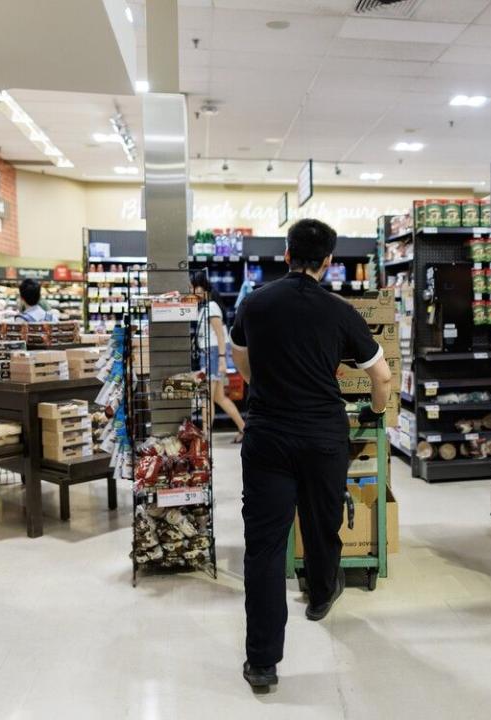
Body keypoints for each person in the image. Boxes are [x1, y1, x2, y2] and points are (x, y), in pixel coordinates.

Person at [230, 219, 392, 690]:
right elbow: (380, 377)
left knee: (263, 546)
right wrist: (375, 413)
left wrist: (264, 381)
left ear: (285, 255)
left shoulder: (255, 303)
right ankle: (321, 593)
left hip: (268, 437)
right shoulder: (340, 312)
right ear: (328, 262)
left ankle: (262, 662)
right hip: (323, 437)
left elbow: (239, 355)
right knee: (322, 520)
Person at [192, 271, 246, 442]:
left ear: (202, 287)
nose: (193, 292)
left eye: (194, 288)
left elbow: (220, 336)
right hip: (210, 355)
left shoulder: (211, 307)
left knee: (206, 399)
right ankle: (244, 429)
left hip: (212, 355)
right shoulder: (207, 307)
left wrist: (222, 359)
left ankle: (204, 438)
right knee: (219, 398)